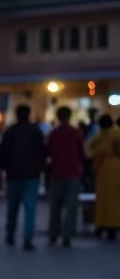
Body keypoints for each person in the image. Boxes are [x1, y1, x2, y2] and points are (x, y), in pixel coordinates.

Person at [0, 105, 46, 250]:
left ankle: (10, 235)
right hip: (32, 176)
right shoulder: (36, 131)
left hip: (13, 175)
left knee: (12, 207)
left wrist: (2, 169)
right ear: (29, 114)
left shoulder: (10, 132)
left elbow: (3, 153)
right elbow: (42, 152)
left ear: (17, 115)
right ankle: (27, 239)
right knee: (30, 209)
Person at [45, 106, 85, 247]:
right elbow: (81, 153)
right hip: (73, 174)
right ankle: (67, 235)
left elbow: (47, 152)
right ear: (69, 116)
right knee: (71, 207)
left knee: (55, 207)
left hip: (56, 174)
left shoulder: (53, 134)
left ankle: (53, 234)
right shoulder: (76, 133)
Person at [86, 114, 120, 240]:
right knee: (114, 201)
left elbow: (88, 149)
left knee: (102, 200)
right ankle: (113, 226)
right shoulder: (116, 134)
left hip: (101, 170)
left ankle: (101, 225)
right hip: (116, 169)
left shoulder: (98, 136)